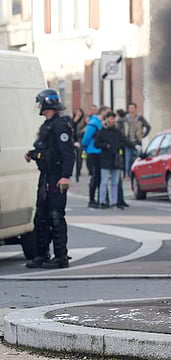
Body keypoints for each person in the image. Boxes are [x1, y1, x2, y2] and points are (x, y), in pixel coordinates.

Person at [24, 88, 75, 269]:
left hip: (56, 176)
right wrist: (33, 154)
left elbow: (68, 153)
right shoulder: (47, 125)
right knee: (41, 217)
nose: (38, 106)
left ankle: (61, 256)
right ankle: (41, 254)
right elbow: (45, 149)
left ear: (47, 103)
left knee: (55, 216)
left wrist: (65, 176)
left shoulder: (60, 125)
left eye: (40, 102)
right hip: (45, 176)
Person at [94, 111, 135, 209]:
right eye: (111, 118)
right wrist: (105, 146)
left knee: (115, 182)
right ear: (107, 119)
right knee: (104, 181)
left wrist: (133, 146)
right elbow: (96, 143)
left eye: (113, 118)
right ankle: (102, 201)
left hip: (115, 159)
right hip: (105, 159)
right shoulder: (102, 131)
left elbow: (124, 140)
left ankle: (114, 201)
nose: (112, 120)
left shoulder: (117, 131)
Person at [81, 106, 110, 208]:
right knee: (96, 175)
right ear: (102, 113)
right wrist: (85, 147)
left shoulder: (102, 123)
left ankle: (102, 199)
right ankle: (92, 199)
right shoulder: (94, 123)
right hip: (93, 151)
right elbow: (86, 137)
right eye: (107, 112)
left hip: (101, 151)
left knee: (102, 176)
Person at [122, 102, 151, 177]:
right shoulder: (126, 118)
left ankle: (138, 173)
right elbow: (122, 128)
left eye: (132, 108)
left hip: (137, 141)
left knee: (138, 158)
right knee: (128, 159)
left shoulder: (140, 117)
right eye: (129, 108)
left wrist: (143, 135)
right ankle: (128, 174)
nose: (131, 109)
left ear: (135, 108)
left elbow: (148, 126)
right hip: (128, 141)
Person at [72, 108, 86, 181]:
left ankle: (78, 171)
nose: (78, 114)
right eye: (77, 112)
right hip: (73, 140)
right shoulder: (73, 120)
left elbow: (84, 131)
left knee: (80, 157)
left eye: (79, 112)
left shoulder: (84, 121)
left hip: (80, 140)